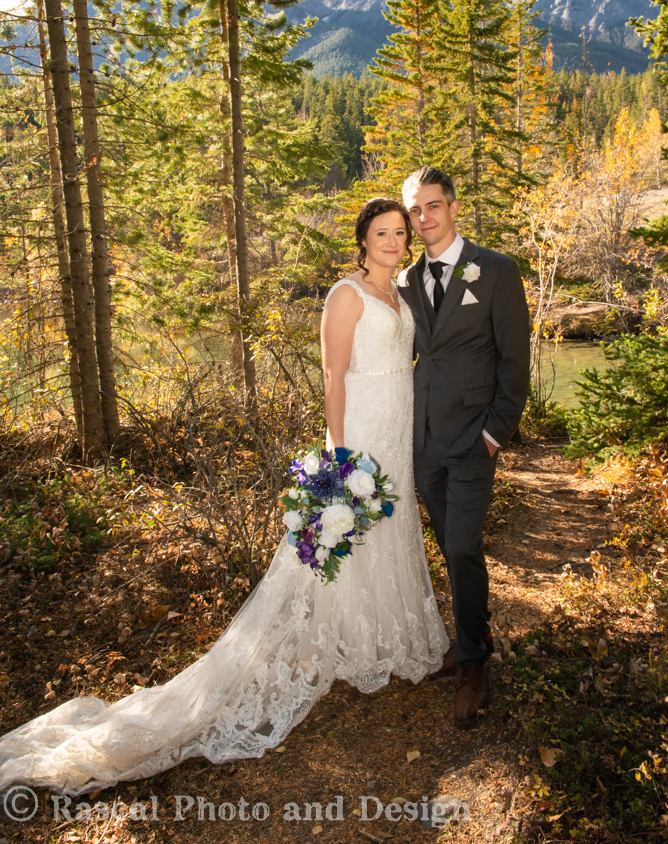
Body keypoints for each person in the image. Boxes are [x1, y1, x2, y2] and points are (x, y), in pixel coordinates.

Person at [0, 197, 447, 799]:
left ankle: (373, 641)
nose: (394, 241)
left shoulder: (402, 292)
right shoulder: (347, 294)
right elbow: (334, 377)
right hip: (362, 433)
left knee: (385, 532)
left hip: (398, 429)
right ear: (362, 241)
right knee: (329, 547)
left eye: (400, 232)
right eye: (381, 233)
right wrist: (339, 454)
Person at [397, 166, 530, 726]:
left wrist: (495, 433)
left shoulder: (495, 270)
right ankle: (470, 635)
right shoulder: (404, 281)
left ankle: (475, 664)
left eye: (432, 206)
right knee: (448, 548)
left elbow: (514, 359)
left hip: (474, 439)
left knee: (462, 547)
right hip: (423, 441)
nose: (423, 218)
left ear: (453, 207)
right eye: (414, 211)